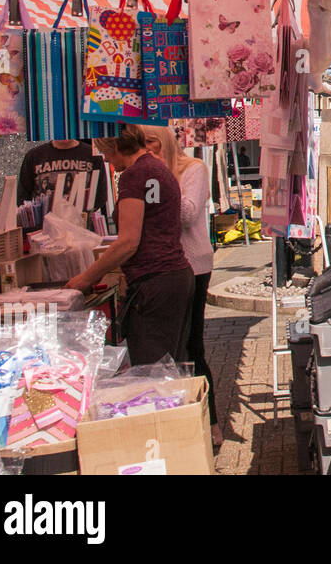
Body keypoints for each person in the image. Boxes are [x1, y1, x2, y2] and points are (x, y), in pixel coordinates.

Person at [65, 126, 195, 363]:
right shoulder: (156, 167)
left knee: (152, 370)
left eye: (105, 151)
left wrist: (86, 279)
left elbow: (128, 241)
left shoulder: (134, 175)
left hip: (153, 281)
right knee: (168, 366)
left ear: (116, 146)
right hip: (173, 277)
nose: (105, 158)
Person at [140, 125, 223, 449]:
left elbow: (187, 214)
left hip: (193, 263)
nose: (147, 151)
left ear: (164, 142)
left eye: (151, 144)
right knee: (169, 348)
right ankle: (179, 419)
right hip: (162, 265)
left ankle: (211, 420)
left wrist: (160, 182)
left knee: (193, 345)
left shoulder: (194, 169)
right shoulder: (148, 175)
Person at [17, 139, 108, 209]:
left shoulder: (93, 155)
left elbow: (101, 196)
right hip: (43, 228)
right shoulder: (34, 156)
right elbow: (23, 197)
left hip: (82, 226)